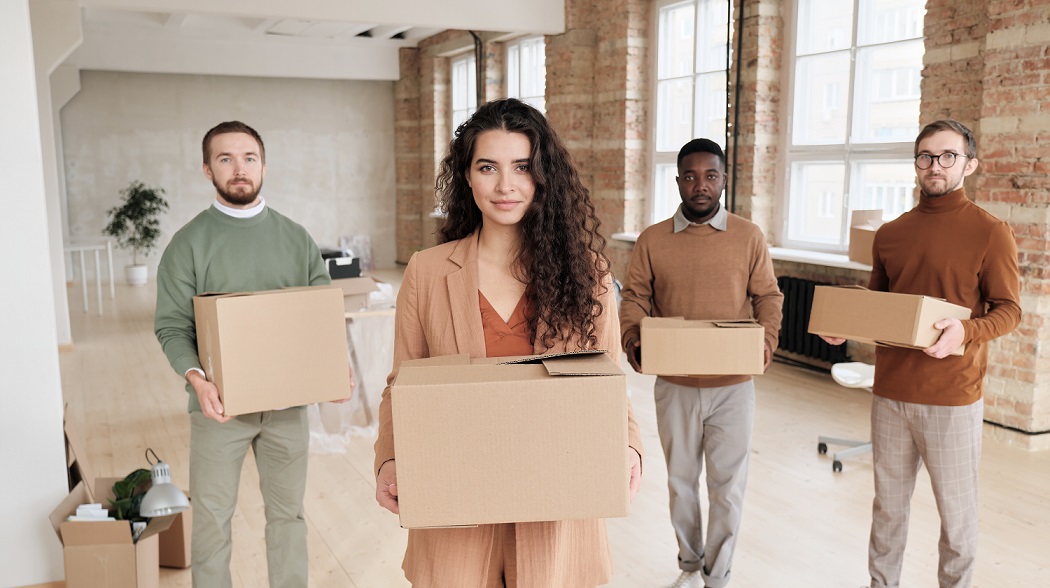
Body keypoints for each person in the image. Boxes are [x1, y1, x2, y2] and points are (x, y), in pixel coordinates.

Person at [373, 98, 643, 587]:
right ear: (467, 178)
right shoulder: (427, 272)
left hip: (556, 496)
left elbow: (608, 381)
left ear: (543, 177)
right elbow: (402, 383)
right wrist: (388, 458)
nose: (506, 185)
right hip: (456, 490)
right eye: (488, 167)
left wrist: (628, 445)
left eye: (522, 167)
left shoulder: (589, 276)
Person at [821, 119, 1021, 588]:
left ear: (968, 164)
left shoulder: (992, 233)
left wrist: (967, 331)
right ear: (916, 165)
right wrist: (843, 326)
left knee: (957, 518)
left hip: (953, 399)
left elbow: (1010, 311)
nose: (935, 165)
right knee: (887, 510)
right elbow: (879, 306)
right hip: (890, 394)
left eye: (947, 156)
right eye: (926, 156)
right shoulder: (891, 234)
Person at [154, 121, 353, 587]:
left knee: (288, 517)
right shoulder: (188, 245)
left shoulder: (296, 238)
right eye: (225, 159)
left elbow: (319, 316)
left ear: (264, 165)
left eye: (249, 158)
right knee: (211, 520)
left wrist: (332, 368)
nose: (238, 169)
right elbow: (171, 326)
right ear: (207, 169)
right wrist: (197, 380)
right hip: (218, 408)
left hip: (287, 409)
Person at [619, 138, 783, 588]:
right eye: (690, 177)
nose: (700, 186)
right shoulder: (653, 240)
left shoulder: (749, 236)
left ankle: (719, 574)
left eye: (710, 176)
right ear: (677, 181)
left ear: (724, 180)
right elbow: (634, 297)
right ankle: (690, 565)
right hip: (674, 384)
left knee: (728, 487)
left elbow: (767, 296)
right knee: (681, 482)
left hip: (733, 385)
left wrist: (766, 339)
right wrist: (633, 338)